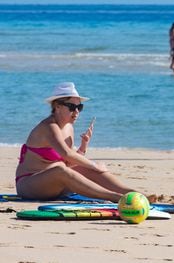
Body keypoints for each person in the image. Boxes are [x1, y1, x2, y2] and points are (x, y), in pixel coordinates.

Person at [15, 82, 157, 203]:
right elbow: (66, 154)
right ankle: (117, 198)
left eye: (79, 107)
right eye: (71, 107)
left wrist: (83, 147)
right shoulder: (49, 127)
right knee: (64, 170)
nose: (76, 112)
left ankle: (136, 194)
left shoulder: (69, 127)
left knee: (85, 169)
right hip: (30, 185)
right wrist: (95, 165)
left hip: (55, 183)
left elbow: (69, 161)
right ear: (57, 106)